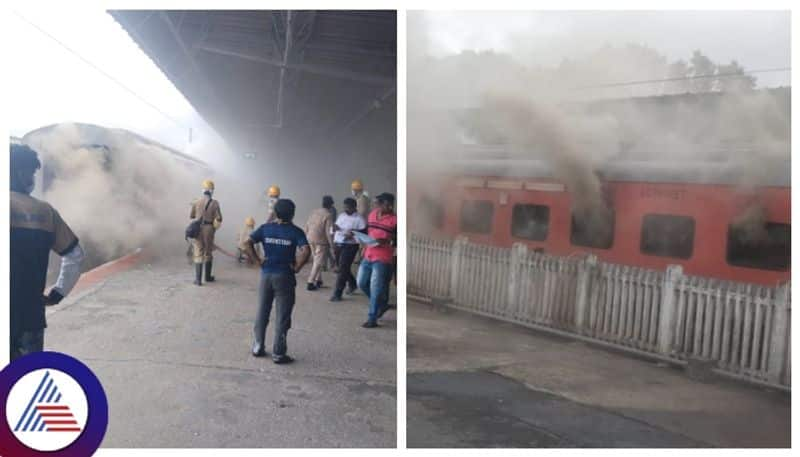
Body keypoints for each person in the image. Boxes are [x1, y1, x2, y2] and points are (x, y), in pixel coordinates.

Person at [10, 144, 86, 361]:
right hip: (30, 316)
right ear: (21, 173)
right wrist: (58, 292)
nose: (33, 179)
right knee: (24, 383)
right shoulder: (45, 212)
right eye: (32, 173)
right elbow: (75, 255)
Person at [243, 199, 310, 364]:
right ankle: (279, 353)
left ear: (275, 213)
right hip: (285, 276)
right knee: (282, 315)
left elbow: (246, 243)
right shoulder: (296, 232)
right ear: (293, 214)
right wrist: (297, 267)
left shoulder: (265, 229)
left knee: (262, 311)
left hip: (266, 275)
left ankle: (258, 346)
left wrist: (258, 261)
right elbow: (306, 250)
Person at [358, 192, 397, 328]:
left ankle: (372, 318)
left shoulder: (396, 220)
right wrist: (358, 236)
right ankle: (381, 304)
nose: (386, 206)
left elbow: (396, 241)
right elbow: (367, 231)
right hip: (368, 254)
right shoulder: (372, 215)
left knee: (375, 288)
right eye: (381, 204)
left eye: (388, 204)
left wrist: (387, 240)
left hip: (383, 258)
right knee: (361, 283)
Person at [330, 198, 366, 302]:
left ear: (354, 207)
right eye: (345, 207)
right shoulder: (341, 216)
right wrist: (335, 228)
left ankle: (337, 293)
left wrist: (353, 234)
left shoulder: (360, 219)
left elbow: (363, 234)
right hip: (339, 243)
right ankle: (352, 283)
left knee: (343, 268)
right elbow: (338, 227)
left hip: (350, 245)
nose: (346, 209)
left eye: (348, 207)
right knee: (342, 267)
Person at [190, 179, 222, 285]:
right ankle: (207, 277)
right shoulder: (215, 203)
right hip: (209, 229)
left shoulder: (197, 201)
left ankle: (198, 280)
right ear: (212, 190)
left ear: (202, 190)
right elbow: (219, 218)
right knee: (208, 252)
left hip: (198, 228)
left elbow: (192, 216)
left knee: (198, 252)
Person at [303, 196, 334, 291]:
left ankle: (318, 280)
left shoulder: (314, 211)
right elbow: (328, 232)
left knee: (316, 261)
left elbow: (307, 225)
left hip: (310, 238)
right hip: (321, 241)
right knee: (317, 262)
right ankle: (310, 282)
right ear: (331, 205)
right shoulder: (328, 215)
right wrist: (332, 244)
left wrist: (305, 236)